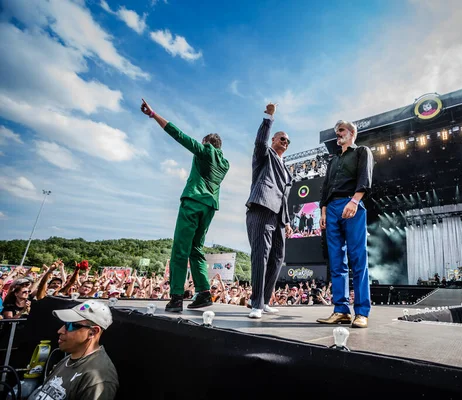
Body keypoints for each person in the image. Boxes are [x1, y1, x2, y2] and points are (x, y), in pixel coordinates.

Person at [140, 99, 230, 313]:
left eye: (203, 141)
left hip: (193, 202)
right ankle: (204, 292)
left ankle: (177, 297)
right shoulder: (225, 163)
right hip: (210, 207)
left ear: (208, 142)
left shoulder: (205, 150)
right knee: (196, 249)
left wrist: (154, 114)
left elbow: (178, 135)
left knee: (180, 249)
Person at [316, 120, 374, 328]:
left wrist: (355, 201)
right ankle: (340, 310)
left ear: (352, 133)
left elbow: (364, 177)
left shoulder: (361, 152)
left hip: (351, 203)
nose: (337, 134)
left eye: (340, 130)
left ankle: (361, 312)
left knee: (358, 259)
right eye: (336, 131)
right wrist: (323, 211)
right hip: (331, 209)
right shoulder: (333, 160)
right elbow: (325, 187)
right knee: (337, 262)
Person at [245, 103, 293, 319]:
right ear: (274, 140)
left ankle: (264, 301)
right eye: (282, 138)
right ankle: (255, 303)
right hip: (262, 209)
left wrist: (288, 221)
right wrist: (269, 118)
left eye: (288, 141)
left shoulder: (286, 169)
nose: (285, 142)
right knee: (260, 256)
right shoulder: (264, 156)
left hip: (280, 217)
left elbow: (284, 196)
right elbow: (260, 142)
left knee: (277, 258)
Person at [29, 300, 119, 399]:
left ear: (92, 332)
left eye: (70, 325)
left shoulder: (97, 377)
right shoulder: (70, 358)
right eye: (64, 324)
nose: (60, 330)